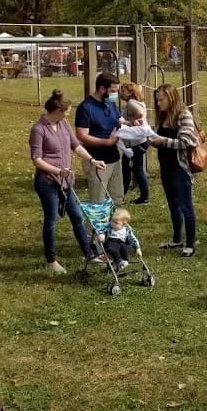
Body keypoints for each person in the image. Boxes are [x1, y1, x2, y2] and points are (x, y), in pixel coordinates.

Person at [29, 88, 108, 274]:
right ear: (57, 111)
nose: (68, 115)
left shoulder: (63, 124)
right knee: (51, 220)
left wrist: (92, 160)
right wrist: (58, 171)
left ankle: (89, 254)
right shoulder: (39, 129)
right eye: (66, 112)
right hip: (48, 182)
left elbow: (76, 146)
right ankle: (51, 261)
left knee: (77, 217)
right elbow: (37, 159)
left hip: (66, 182)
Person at [149, 83, 199, 258]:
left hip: (179, 169)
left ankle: (190, 244)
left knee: (185, 206)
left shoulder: (184, 115)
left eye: (161, 100)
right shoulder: (163, 116)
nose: (158, 104)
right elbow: (161, 138)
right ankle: (177, 239)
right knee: (173, 205)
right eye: (157, 100)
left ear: (171, 98)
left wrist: (163, 141)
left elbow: (187, 142)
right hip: (166, 168)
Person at [75, 72, 123, 204]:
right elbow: (82, 135)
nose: (115, 94)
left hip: (114, 157)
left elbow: (119, 119)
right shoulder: (86, 108)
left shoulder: (110, 103)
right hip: (97, 160)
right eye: (113, 91)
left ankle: (115, 218)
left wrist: (132, 123)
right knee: (99, 201)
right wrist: (107, 142)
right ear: (102, 89)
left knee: (117, 198)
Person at [118, 81, 151, 204]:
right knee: (137, 168)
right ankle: (143, 196)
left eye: (124, 91)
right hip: (142, 140)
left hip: (136, 142)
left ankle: (122, 195)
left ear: (130, 92)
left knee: (128, 168)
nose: (121, 93)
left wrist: (131, 121)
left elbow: (139, 113)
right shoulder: (139, 101)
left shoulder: (132, 103)